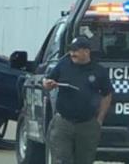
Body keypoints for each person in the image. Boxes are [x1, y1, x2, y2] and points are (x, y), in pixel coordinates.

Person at [43, 36, 113, 164]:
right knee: (61, 160)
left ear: (86, 52)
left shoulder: (99, 71)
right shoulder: (63, 64)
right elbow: (47, 80)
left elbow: (107, 94)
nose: (72, 53)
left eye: (76, 50)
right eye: (71, 50)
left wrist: (100, 119)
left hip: (87, 125)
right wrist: (48, 84)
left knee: (84, 161)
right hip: (63, 123)